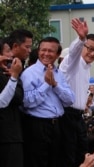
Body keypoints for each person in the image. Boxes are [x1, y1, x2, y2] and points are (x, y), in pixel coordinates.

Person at [20, 37, 75, 167]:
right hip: (37, 126)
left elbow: (70, 100)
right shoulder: (29, 73)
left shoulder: (59, 74)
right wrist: (46, 85)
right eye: (43, 50)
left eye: (51, 51)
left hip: (57, 125)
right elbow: (26, 102)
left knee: (56, 161)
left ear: (57, 55)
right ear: (38, 52)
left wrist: (55, 84)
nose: (46, 54)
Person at [59, 18, 94, 167]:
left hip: (78, 117)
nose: (92, 53)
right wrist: (81, 38)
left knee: (82, 154)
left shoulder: (87, 67)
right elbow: (73, 52)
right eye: (89, 48)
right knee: (68, 156)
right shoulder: (72, 62)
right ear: (83, 46)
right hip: (66, 115)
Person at [0, 38, 24, 167]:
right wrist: (15, 77)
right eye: (8, 51)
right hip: (7, 137)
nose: (11, 55)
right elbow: (6, 100)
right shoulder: (5, 76)